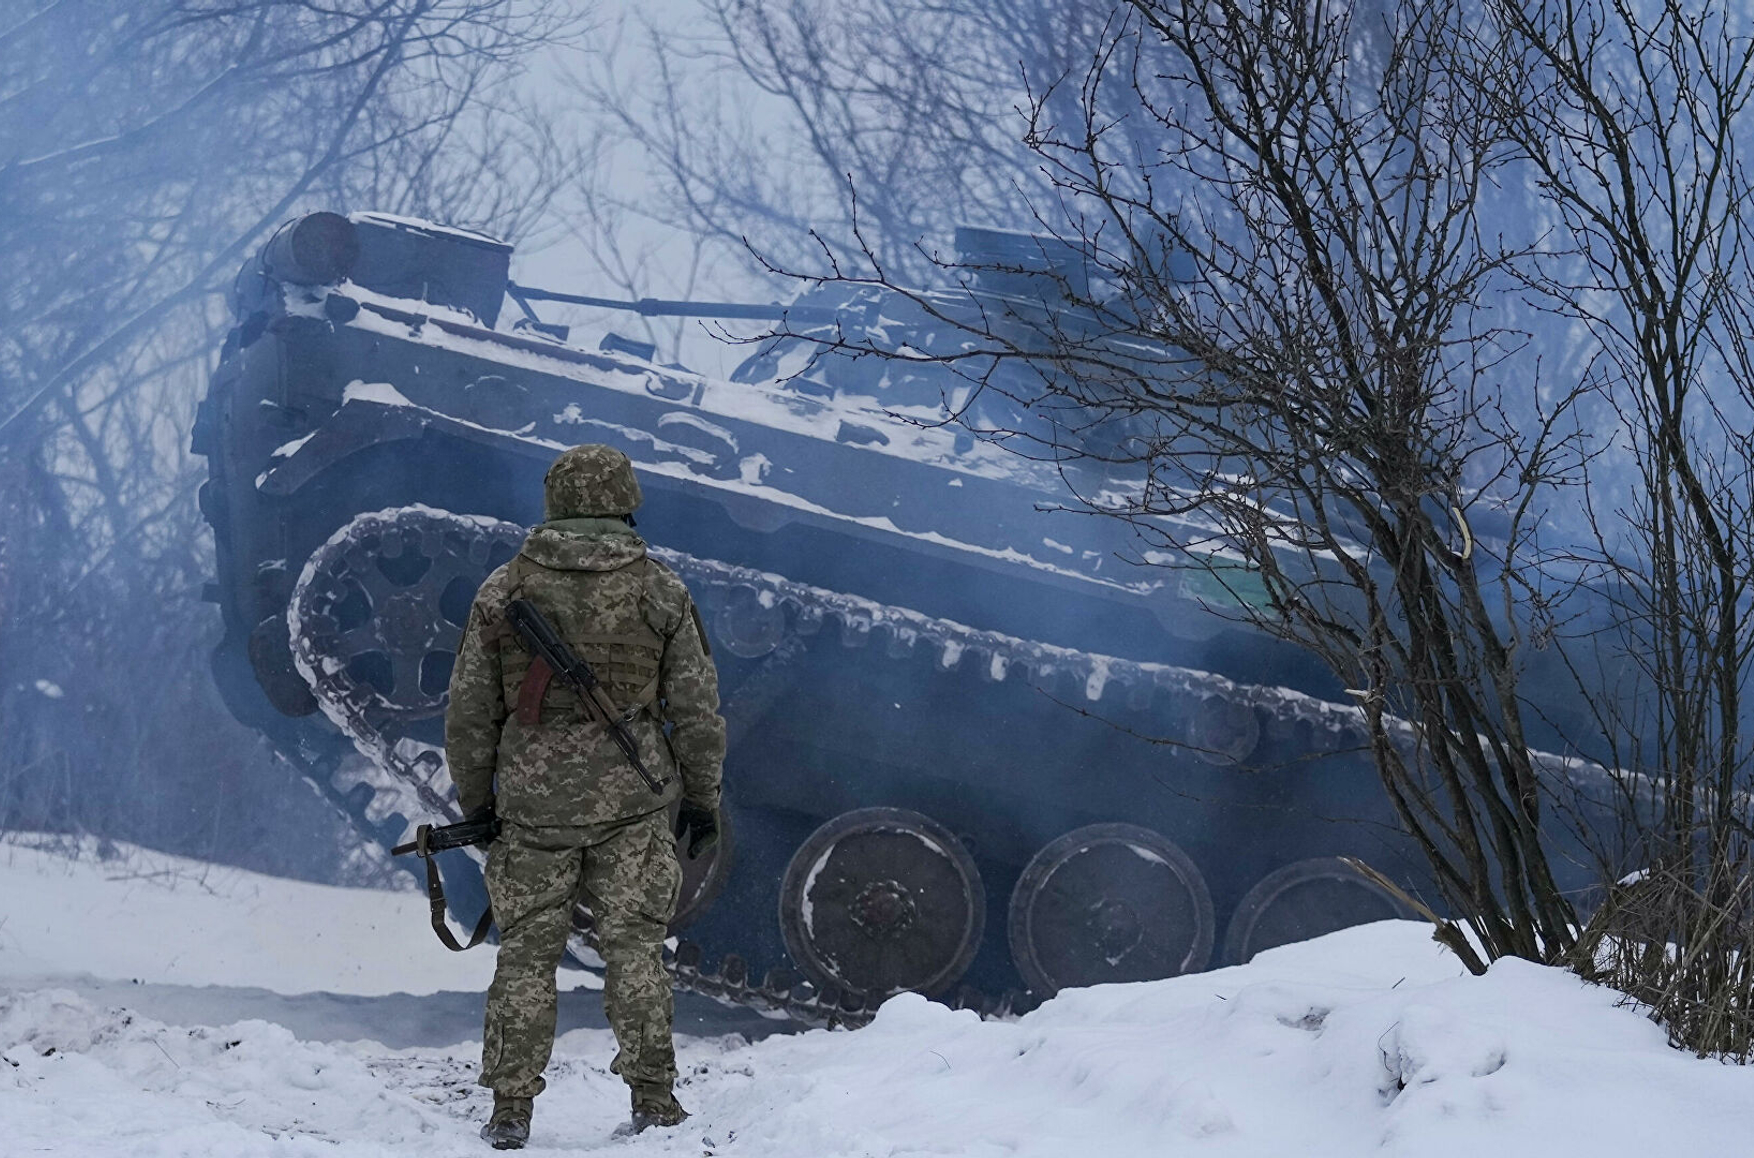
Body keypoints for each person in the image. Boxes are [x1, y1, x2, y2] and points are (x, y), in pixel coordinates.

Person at [444, 443, 725, 1149]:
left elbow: (471, 713)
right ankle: (654, 1099)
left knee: (525, 956)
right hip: (632, 806)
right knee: (636, 951)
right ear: (626, 500)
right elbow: (696, 710)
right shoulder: (660, 589)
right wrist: (702, 798)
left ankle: (511, 1108)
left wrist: (478, 804)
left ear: (555, 500)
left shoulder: (505, 587)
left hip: (533, 808)